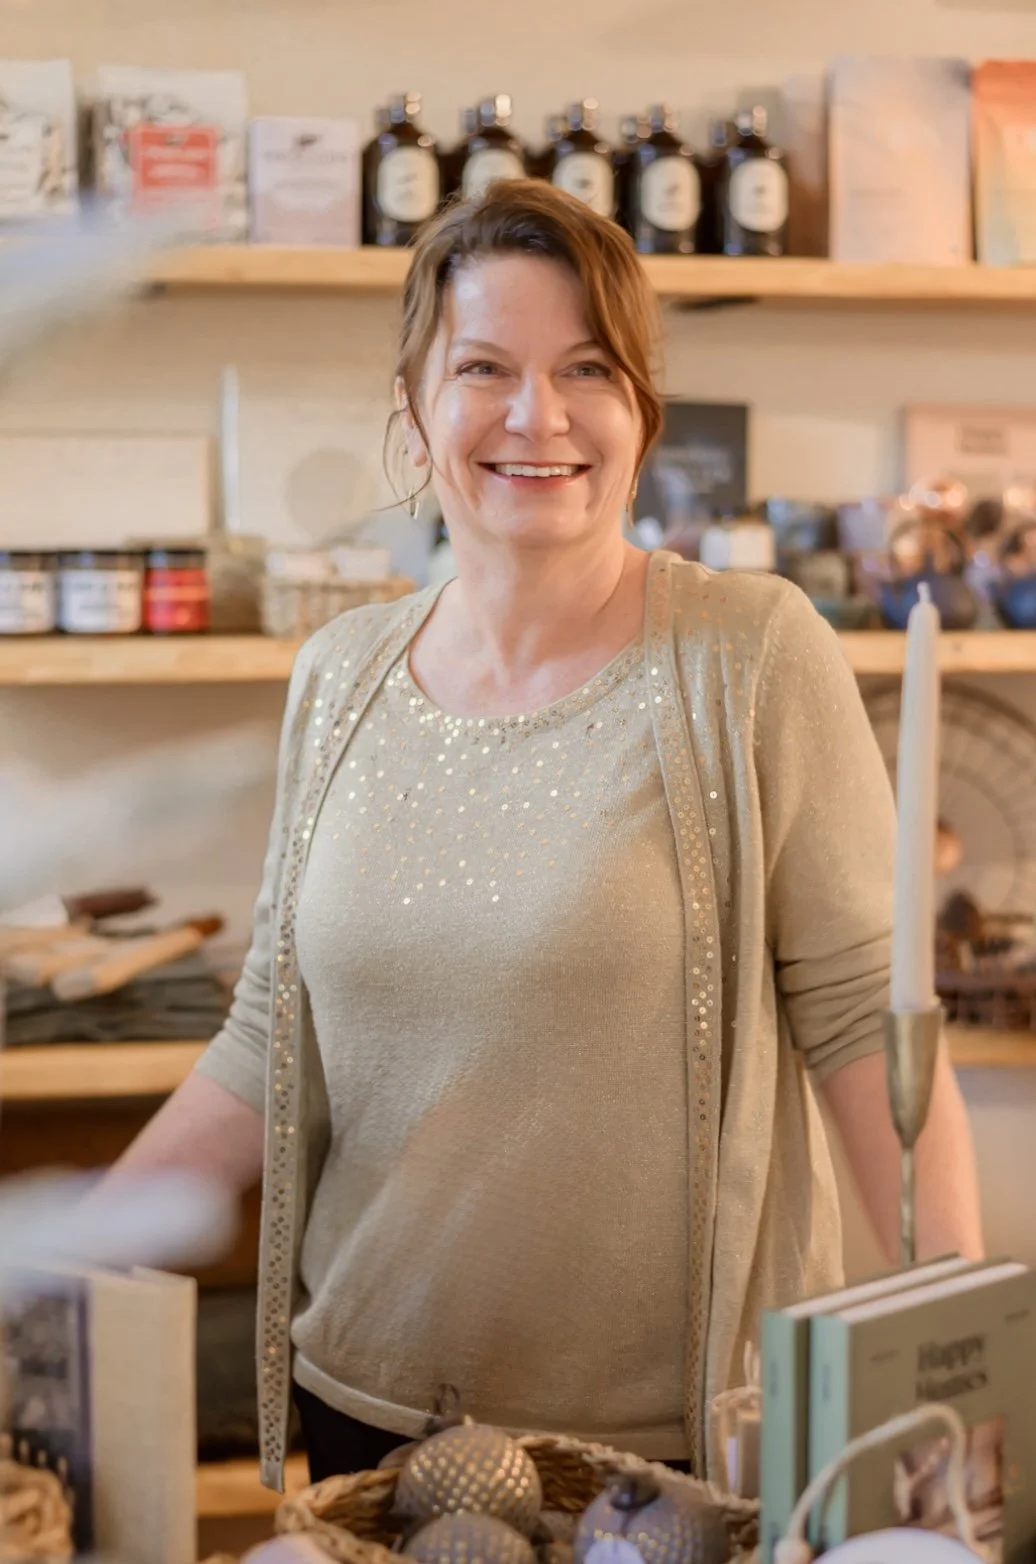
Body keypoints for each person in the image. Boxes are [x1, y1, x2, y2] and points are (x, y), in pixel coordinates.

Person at [110, 180, 983, 1491]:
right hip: (368, 1420)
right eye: (485, 368)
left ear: (641, 413)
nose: (539, 415)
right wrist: (56, 1259)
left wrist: (957, 1361)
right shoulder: (338, 676)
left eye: (589, 368)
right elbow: (267, 1045)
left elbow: (869, 1020)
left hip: (671, 1454)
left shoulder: (749, 655)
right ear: (414, 411)